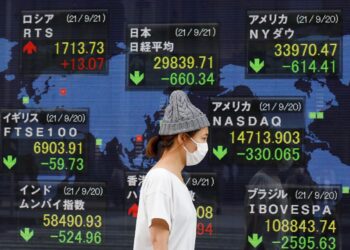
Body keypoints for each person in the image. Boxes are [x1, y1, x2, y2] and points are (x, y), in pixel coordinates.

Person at [133, 90, 210, 250]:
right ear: (182, 138)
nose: (205, 146)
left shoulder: (173, 179)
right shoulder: (161, 180)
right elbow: (158, 242)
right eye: (203, 138)